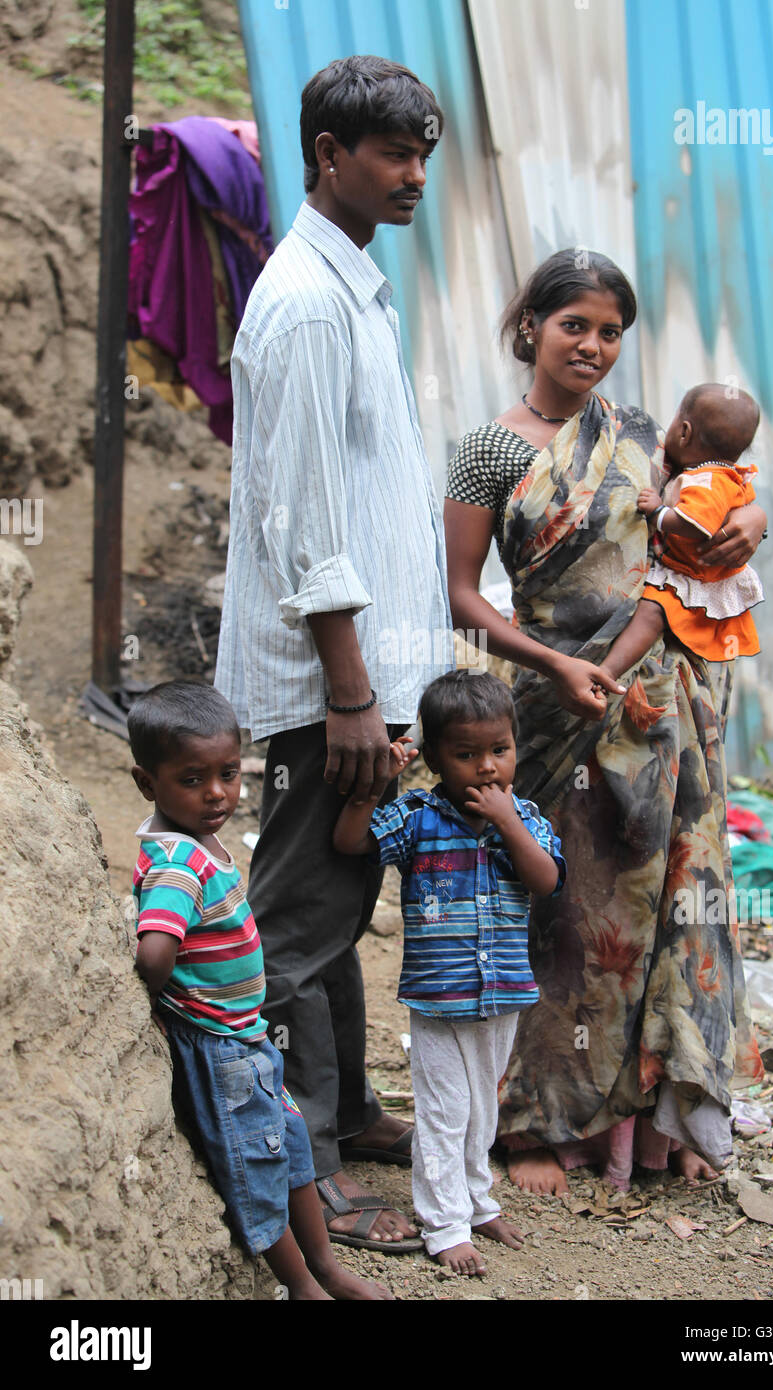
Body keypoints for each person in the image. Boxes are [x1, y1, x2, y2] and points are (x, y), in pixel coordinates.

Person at [445, 249, 765, 1196]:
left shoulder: (639, 436)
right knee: (565, 911)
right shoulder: (491, 449)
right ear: (531, 327)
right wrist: (549, 661)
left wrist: (759, 523)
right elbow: (462, 597)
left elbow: (714, 508)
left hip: (661, 706)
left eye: (610, 331)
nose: (591, 346)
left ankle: (647, 1127)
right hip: (552, 706)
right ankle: (537, 1118)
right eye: (573, 325)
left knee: (661, 907)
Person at [214, 56, 452, 1252]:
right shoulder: (306, 302)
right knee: (298, 919)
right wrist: (354, 694)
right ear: (325, 157)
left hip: (362, 675)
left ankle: (346, 1107)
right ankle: (294, 1162)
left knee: (337, 901)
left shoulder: (348, 288)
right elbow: (305, 522)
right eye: (393, 153)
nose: (414, 174)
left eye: (423, 152)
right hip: (330, 685)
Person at [128, 680, 393, 1300]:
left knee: (293, 1146)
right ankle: (301, 1283)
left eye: (227, 772)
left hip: (245, 1040)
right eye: (193, 780)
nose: (217, 793)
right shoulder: (176, 864)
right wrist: (162, 1004)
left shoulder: (194, 842)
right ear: (148, 783)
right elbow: (155, 952)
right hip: (222, 1049)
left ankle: (324, 1267)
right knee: (261, 1164)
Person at [333, 671, 566, 1274]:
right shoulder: (416, 816)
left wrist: (508, 821)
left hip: (505, 992)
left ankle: (476, 1200)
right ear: (435, 757)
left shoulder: (528, 818)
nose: (487, 767)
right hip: (439, 997)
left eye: (499, 750)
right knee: (444, 1110)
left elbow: (546, 880)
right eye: (466, 754)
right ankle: (443, 1224)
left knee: (484, 1108)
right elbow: (350, 842)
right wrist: (375, 788)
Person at [600, 383, 763, 680]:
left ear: (684, 432)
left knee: (652, 613)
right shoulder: (720, 476)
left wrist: (659, 513)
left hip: (693, 577)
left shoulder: (707, 481)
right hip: (692, 570)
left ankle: (607, 672)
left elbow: (697, 524)